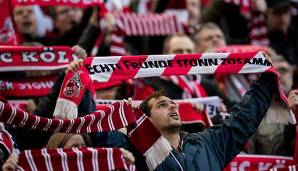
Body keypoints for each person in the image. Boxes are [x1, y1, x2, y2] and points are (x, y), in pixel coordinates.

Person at [137, 67, 280, 170]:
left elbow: (242, 120)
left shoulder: (208, 143)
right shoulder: (138, 148)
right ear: (146, 119)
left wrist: (265, 84)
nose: (173, 107)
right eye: (162, 105)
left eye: (173, 104)